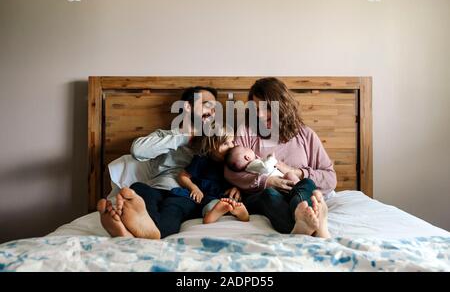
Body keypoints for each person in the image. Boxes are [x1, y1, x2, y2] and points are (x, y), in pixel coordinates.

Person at [97, 86, 240, 239]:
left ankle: (135, 232)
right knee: (138, 189)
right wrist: (186, 137)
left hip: (185, 195)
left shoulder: (213, 144)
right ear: (187, 107)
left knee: (173, 211)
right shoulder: (164, 136)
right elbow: (138, 150)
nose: (212, 112)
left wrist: (236, 185)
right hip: (156, 188)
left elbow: (231, 162)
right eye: (207, 105)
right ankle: (139, 226)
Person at [224, 77, 337, 238]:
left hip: (298, 192)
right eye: (256, 109)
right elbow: (231, 171)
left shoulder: (305, 135)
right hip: (267, 195)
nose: (261, 115)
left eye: (266, 108)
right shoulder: (247, 131)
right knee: (269, 195)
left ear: (282, 105)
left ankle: (303, 221)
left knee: (307, 184)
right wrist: (267, 182)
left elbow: (330, 178)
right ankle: (313, 227)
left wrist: (297, 172)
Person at [173, 127, 249, 224]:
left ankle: (240, 213)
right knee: (212, 204)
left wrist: (236, 188)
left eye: (232, 142)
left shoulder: (232, 162)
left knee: (234, 202)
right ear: (211, 146)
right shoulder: (201, 160)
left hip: (226, 194)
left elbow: (242, 179)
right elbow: (182, 176)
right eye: (225, 143)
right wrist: (194, 188)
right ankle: (211, 215)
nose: (231, 146)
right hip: (209, 196)